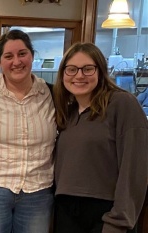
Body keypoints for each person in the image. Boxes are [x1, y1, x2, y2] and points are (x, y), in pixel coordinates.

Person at [52, 42, 148, 233]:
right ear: (63, 74)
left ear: (100, 71)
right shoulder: (68, 112)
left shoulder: (122, 104)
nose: (79, 75)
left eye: (87, 69)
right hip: (66, 211)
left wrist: (119, 221)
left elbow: (134, 169)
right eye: (71, 69)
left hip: (106, 214)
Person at [0, 29, 56, 233]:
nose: (16, 61)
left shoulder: (52, 94)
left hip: (38, 192)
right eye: (8, 56)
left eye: (22, 54)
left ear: (32, 55)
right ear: (0, 61)